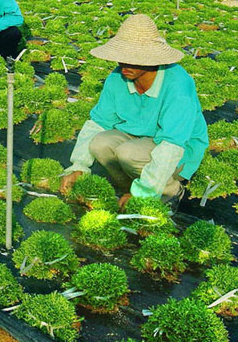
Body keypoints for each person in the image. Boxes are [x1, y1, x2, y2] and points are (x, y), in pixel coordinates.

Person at [59, 14, 209, 209]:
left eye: (134, 59)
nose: (124, 65)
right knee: (100, 143)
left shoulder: (178, 85)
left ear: (153, 59)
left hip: (178, 148)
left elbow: (171, 145)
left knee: (129, 153)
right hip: (138, 138)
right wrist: (79, 166)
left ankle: (169, 191)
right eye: (122, 58)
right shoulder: (117, 79)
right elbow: (98, 123)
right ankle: (130, 188)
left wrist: (144, 193)